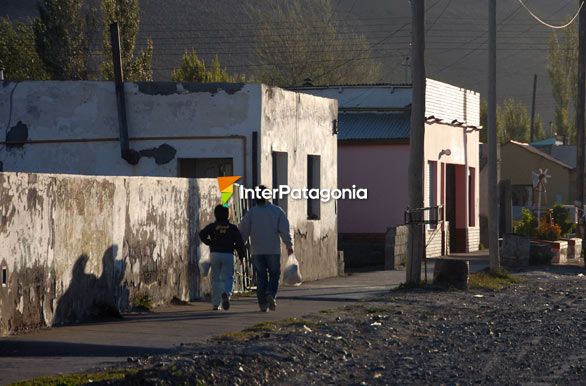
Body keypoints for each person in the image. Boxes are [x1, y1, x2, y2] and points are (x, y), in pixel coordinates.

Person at [239, 185, 293, 312]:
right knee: (274, 274)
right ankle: (270, 293)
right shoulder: (277, 211)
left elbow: (243, 231)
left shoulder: (251, 212)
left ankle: (263, 305)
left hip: (256, 251)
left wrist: (239, 245)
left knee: (261, 276)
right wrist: (289, 246)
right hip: (273, 250)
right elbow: (285, 231)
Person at [199, 205, 246, 311]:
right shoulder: (233, 228)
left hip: (215, 254)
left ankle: (216, 304)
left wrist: (209, 242)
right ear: (228, 215)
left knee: (216, 279)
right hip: (228, 254)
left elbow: (202, 234)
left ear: (216, 214)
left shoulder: (212, 226)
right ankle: (226, 294)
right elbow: (239, 242)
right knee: (228, 277)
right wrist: (241, 255)